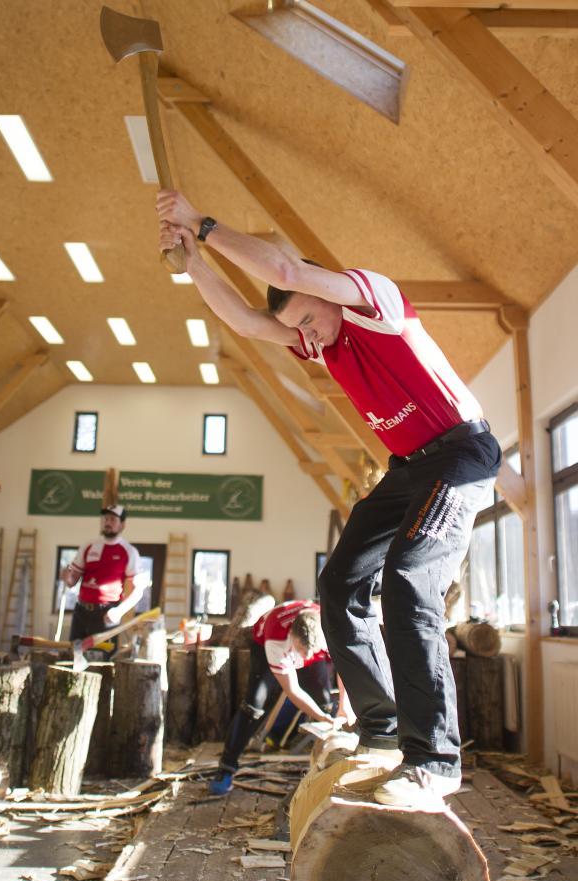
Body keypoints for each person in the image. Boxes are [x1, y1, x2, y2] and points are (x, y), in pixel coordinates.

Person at [156, 190, 502, 810]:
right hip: (408, 468)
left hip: (459, 454)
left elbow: (286, 271)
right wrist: (193, 265)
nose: (305, 337)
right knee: (340, 583)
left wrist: (202, 225)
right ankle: (383, 729)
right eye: (298, 331)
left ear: (327, 290)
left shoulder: (376, 303)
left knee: (408, 580)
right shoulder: (319, 339)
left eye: (308, 320)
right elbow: (244, 321)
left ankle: (436, 761)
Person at [210, 600, 354, 795]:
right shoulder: (276, 639)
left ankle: (327, 767)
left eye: (311, 652)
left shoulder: (329, 629)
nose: (306, 657)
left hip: (310, 637)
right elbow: (292, 690)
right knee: (255, 705)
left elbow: (346, 670)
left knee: (325, 701)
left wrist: (343, 706)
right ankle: (226, 768)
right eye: (303, 652)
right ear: (293, 637)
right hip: (266, 642)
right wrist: (319, 717)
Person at [61, 504, 146, 643]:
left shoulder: (129, 552)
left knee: (101, 662)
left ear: (122, 525)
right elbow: (72, 582)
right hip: (81, 612)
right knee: (73, 656)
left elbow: (138, 591)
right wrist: (67, 577)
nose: (108, 522)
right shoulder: (88, 546)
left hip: (106, 614)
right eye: (106, 519)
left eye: (113, 519)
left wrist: (119, 611)